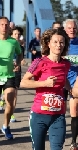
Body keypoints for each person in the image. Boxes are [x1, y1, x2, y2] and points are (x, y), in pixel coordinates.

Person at [20, 28, 70, 150]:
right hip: (39, 115)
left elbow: (64, 80)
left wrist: (71, 90)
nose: (59, 45)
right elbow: (23, 83)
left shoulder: (66, 64)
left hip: (58, 115)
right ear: (48, 43)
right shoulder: (39, 62)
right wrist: (45, 83)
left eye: (62, 42)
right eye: (55, 42)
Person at [0, 26, 25, 123]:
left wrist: (20, 63)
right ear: (11, 35)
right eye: (15, 34)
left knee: (14, 94)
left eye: (18, 34)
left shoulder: (21, 47)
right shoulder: (6, 45)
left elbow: (21, 59)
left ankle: (11, 114)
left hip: (16, 72)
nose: (17, 36)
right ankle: (3, 97)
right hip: (6, 71)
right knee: (9, 93)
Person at [63, 19, 78, 150]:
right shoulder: (61, 44)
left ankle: (73, 141)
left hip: (76, 83)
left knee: (74, 111)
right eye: (69, 28)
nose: (72, 30)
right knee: (59, 111)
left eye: (74, 28)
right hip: (62, 81)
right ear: (65, 29)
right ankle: (59, 136)